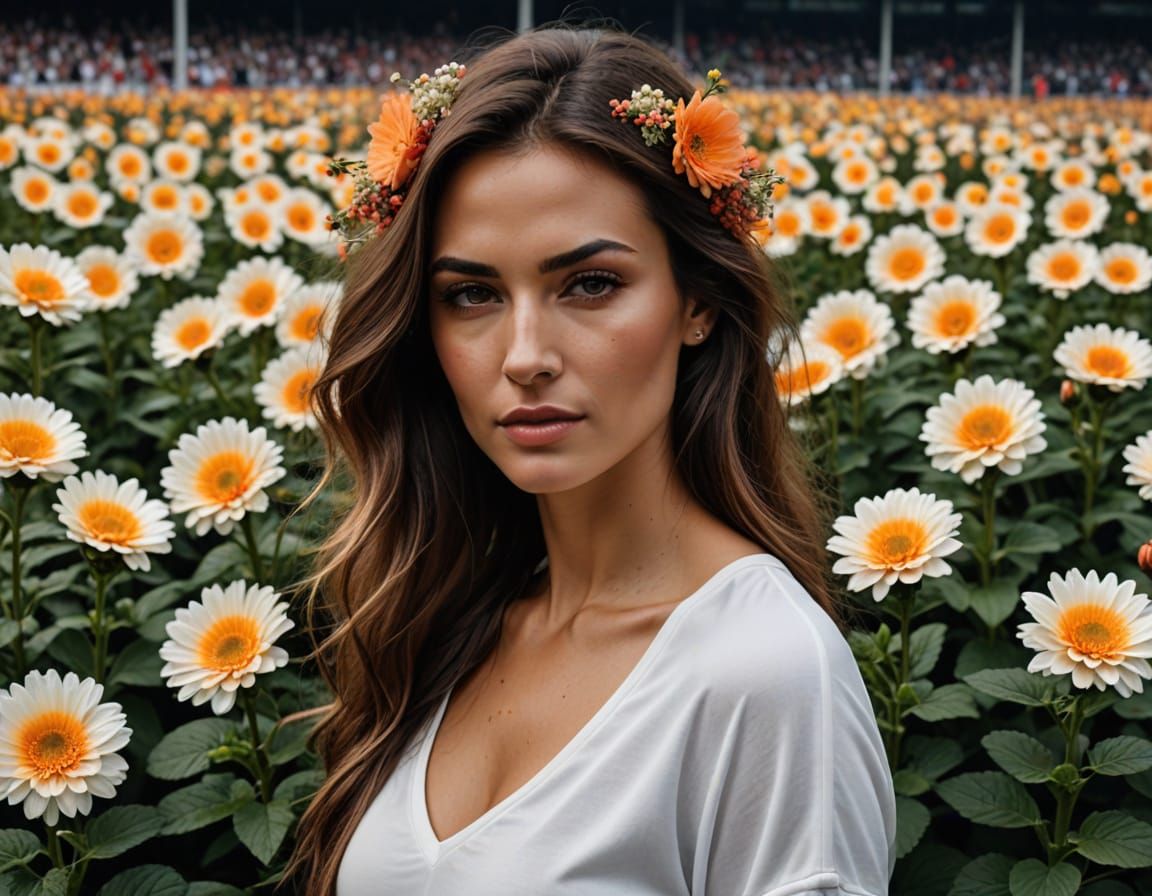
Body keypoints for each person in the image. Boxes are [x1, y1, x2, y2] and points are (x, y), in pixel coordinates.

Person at [280, 23, 896, 896]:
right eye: (472, 295)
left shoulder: (767, 672)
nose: (525, 353)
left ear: (698, 302)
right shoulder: (443, 619)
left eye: (591, 284)